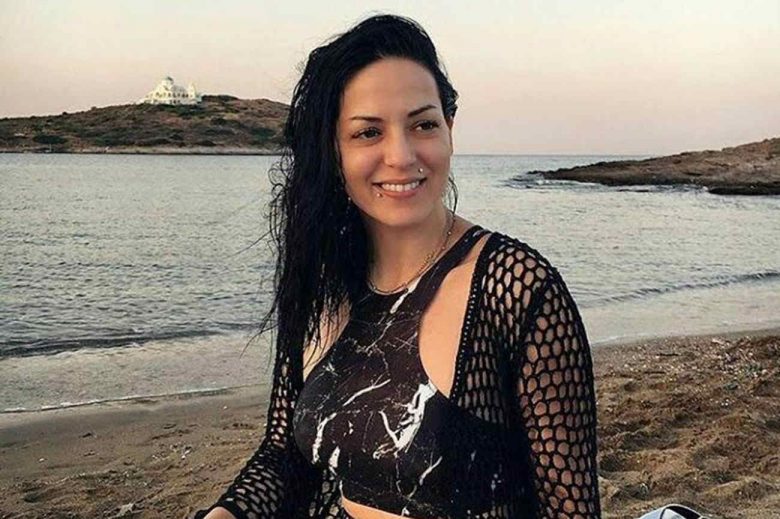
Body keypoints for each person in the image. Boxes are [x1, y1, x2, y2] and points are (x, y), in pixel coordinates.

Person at [194, 14, 601, 519]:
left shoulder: (516, 289)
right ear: (333, 151)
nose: (402, 156)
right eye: (368, 133)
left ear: (449, 130)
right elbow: (284, 457)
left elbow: (570, 507)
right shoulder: (321, 284)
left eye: (423, 125)